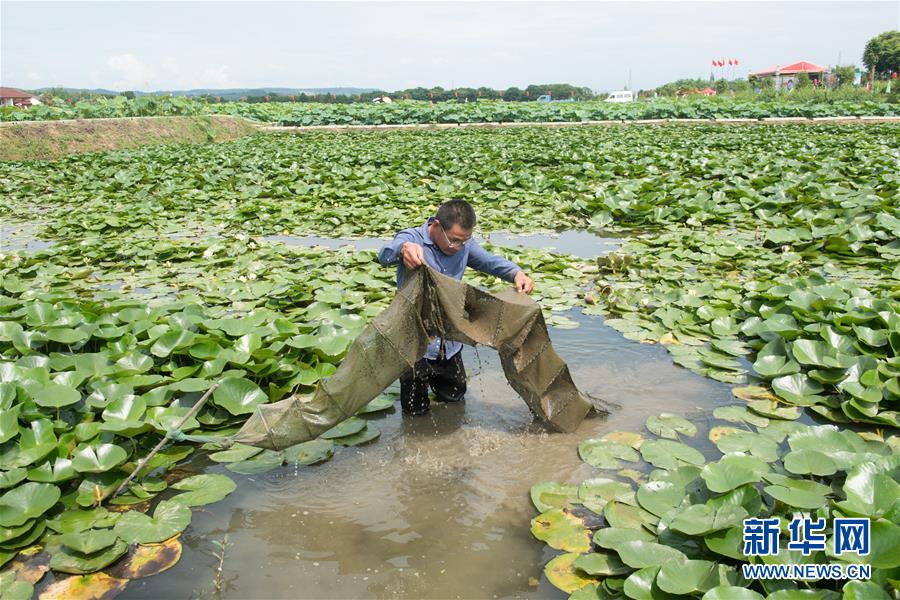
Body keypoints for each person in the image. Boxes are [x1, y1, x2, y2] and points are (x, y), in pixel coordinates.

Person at [377, 199, 535, 416]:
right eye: (454, 241)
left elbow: (489, 262)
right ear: (436, 225)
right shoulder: (412, 239)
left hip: (448, 340)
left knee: (455, 400)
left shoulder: (464, 245)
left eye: (464, 241)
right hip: (414, 344)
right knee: (415, 413)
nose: (459, 247)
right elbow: (384, 254)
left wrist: (517, 273)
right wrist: (403, 249)